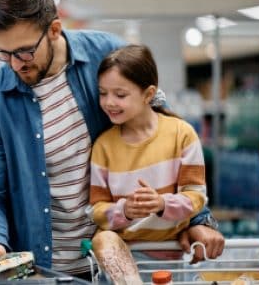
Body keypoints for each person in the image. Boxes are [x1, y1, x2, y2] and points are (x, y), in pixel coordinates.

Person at [0, 0, 224, 276]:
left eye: (24, 51)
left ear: (54, 29)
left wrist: (199, 221)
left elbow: (162, 134)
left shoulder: (108, 56)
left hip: (121, 262)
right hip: (42, 269)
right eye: (3, 53)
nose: (14, 64)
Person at [89, 45, 208, 283]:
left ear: (148, 94)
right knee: (102, 239)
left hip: (176, 259)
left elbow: (196, 197)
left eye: (120, 95)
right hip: (124, 262)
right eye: (103, 93)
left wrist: (162, 203)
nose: (109, 102)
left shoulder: (181, 134)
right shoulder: (104, 146)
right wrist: (124, 210)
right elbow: (96, 210)